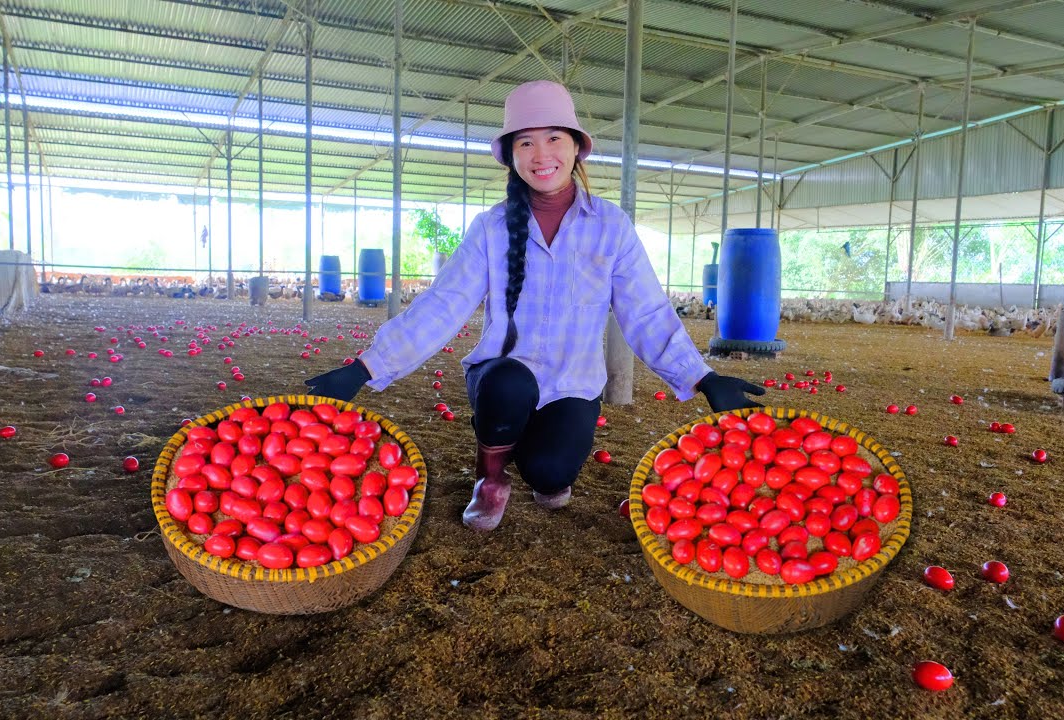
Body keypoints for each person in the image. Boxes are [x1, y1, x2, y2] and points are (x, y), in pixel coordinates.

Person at [304, 80, 765, 532]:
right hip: (502, 378)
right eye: (525, 142)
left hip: (573, 384)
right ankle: (491, 475)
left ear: (576, 147)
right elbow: (443, 305)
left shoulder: (611, 227)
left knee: (550, 475)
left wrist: (702, 377)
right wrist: (366, 367)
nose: (541, 154)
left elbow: (645, 310)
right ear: (512, 155)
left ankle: (526, 448)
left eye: (553, 138)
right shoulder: (491, 228)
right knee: (508, 380)